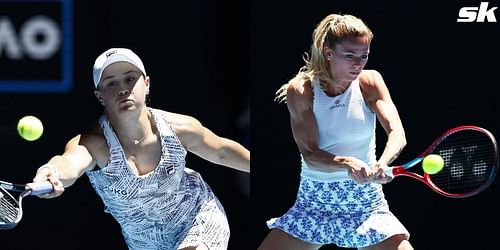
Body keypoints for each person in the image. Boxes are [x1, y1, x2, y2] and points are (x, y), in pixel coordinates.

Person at [30, 48, 250, 250]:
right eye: (111, 83)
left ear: (146, 83)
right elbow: (69, 163)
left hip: (197, 219)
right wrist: (53, 171)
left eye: (130, 79)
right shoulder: (95, 143)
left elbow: (222, 151)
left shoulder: (180, 128)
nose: (123, 89)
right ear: (99, 96)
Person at [258, 14, 413, 250]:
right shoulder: (302, 90)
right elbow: (310, 154)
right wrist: (347, 163)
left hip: (365, 205)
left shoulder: (370, 82)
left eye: (364, 56)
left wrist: (383, 162)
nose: (358, 64)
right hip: (313, 204)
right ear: (328, 52)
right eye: (349, 56)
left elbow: (397, 132)